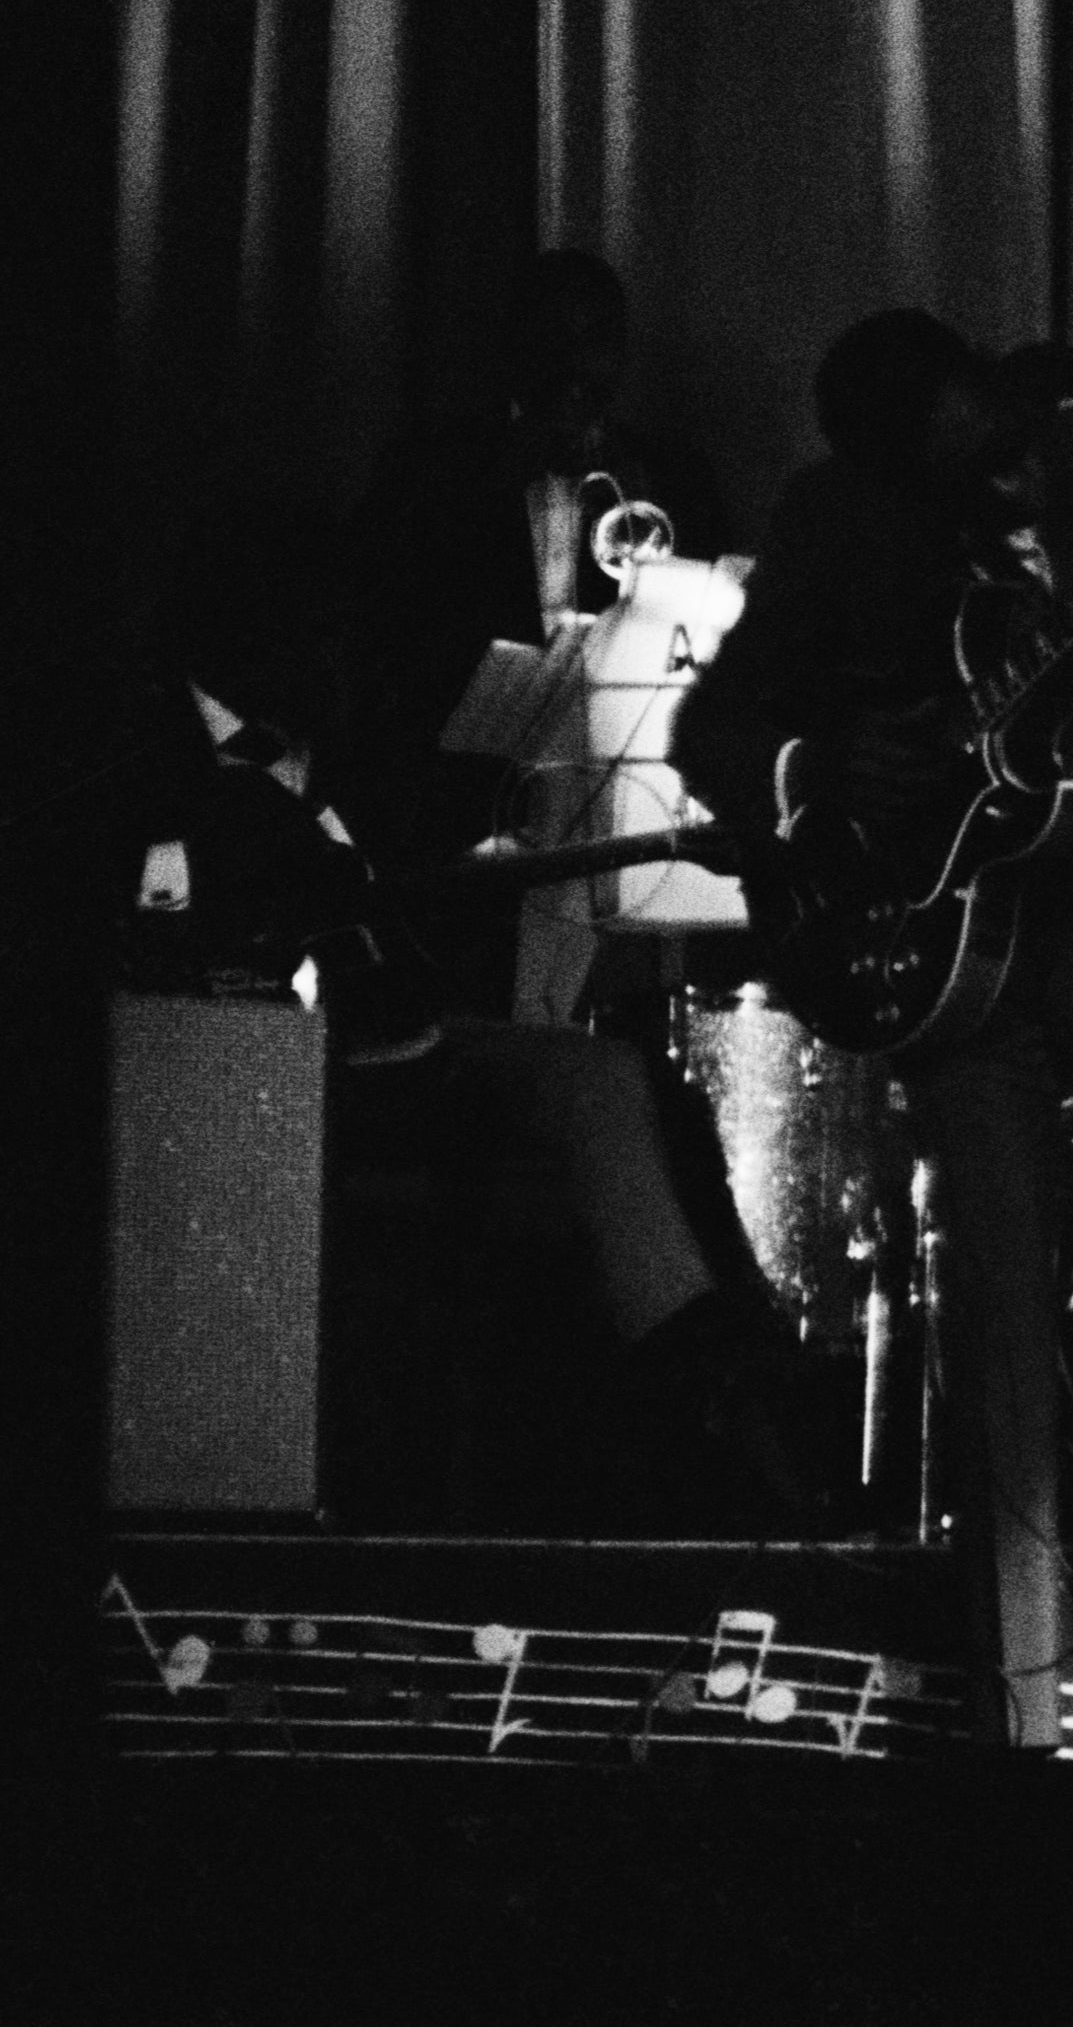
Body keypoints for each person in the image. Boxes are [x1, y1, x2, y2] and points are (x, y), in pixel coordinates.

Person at [677, 313, 1073, 1759]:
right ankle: (1015, 1725)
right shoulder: (841, 515)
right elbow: (716, 728)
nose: (989, 494)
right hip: (956, 956)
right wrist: (814, 768)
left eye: (997, 459)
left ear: (1013, 412)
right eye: (940, 476)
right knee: (999, 1345)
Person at [101, 580, 818, 1528]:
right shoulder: (132, 744)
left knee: (629, 1080)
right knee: (587, 1088)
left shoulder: (352, 741)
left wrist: (459, 889)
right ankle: (709, 1396)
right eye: (320, 627)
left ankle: (718, 1373)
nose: (343, 657)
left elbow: (401, 925)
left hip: (383, 1040)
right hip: (230, 1067)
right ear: (250, 630)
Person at [334, 250, 735, 1013]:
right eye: (555, 341)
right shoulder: (432, 466)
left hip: (626, 790)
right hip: (480, 792)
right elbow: (380, 617)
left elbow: (718, 618)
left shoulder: (667, 470)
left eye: (597, 342)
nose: (577, 364)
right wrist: (503, 469)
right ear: (515, 350)